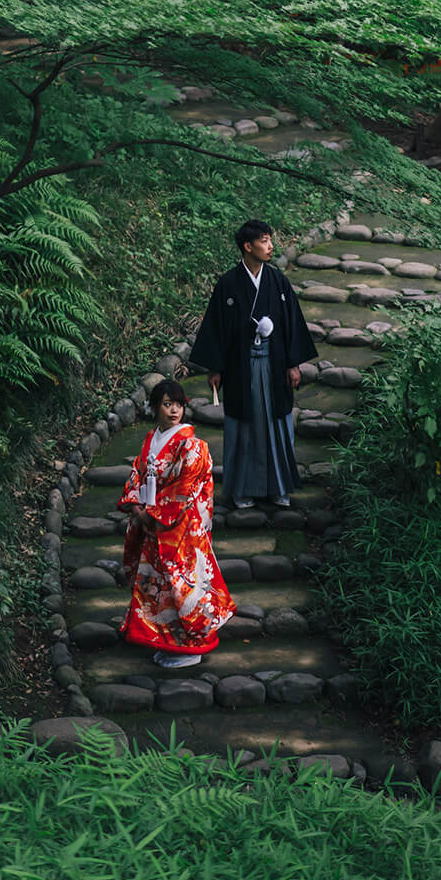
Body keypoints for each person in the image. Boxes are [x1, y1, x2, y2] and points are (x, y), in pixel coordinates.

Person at [190, 218, 315, 510]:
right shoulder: (229, 284)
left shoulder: (278, 281)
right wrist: (215, 368)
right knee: (243, 425)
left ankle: (279, 487)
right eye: (264, 241)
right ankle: (242, 489)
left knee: (278, 423)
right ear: (248, 246)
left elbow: (292, 323)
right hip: (241, 366)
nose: (271, 246)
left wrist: (293, 364)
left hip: (274, 361)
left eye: (270, 240)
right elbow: (216, 327)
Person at [117, 379, 235, 667]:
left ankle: (190, 645)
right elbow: (138, 474)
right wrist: (136, 506)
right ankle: (165, 641)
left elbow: (185, 488)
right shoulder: (151, 440)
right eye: (167, 404)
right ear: (155, 406)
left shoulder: (192, 445)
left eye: (179, 405)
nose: (174, 410)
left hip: (179, 527)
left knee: (182, 587)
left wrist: (152, 515)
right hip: (152, 521)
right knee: (159, 586)